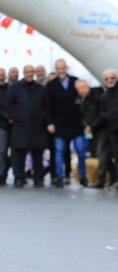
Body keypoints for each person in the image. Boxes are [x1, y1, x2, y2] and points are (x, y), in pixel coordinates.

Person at [6, 64, 49, 187]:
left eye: (31, 72)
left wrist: (43, 120)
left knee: (37, 154)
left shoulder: (41, 89)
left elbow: (46, 107)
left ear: (34, 73)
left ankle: (38, 178)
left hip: (37, 127)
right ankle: (19, 177)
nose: (29, 74)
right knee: (18, 154)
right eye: (27, 72)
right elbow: (10, 105)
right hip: (20, 126)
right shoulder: (15, 88)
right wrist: (16, 117)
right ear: (23, 73)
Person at [45, 59, 85, 187]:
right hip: (59, 124)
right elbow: (48, 107)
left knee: (80, 150)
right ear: (56, 70)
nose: (61, 71)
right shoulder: (51, 85)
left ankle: (83, 177)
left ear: (66, 68)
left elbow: (82, 99)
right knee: (59, 151)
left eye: (63, 68)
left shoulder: (75, 81)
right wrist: (50, 123)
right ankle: (59, 177)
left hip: (75, 123)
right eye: (58, 69)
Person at [77, 80, 111, 189]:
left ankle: (100, 179)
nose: (81, 91)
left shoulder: (97, 97)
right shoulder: (81, 101)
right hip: (91, 131)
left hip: (101, 129)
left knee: (102, 154)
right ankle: (113, 176)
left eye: (83, 88)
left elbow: (103, 114)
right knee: (102, 155)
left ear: (88, 87)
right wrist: (86, 126)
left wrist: (92, 126)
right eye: (79, 89)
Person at [0, 68, 12, 185]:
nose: (1, 77)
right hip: (2, 125)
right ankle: (1, 174)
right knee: (2, 151)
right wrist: (7, 117)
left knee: (12, 152)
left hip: (13, 125)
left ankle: (5, 172)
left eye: (3, 75)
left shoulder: (10, 88)